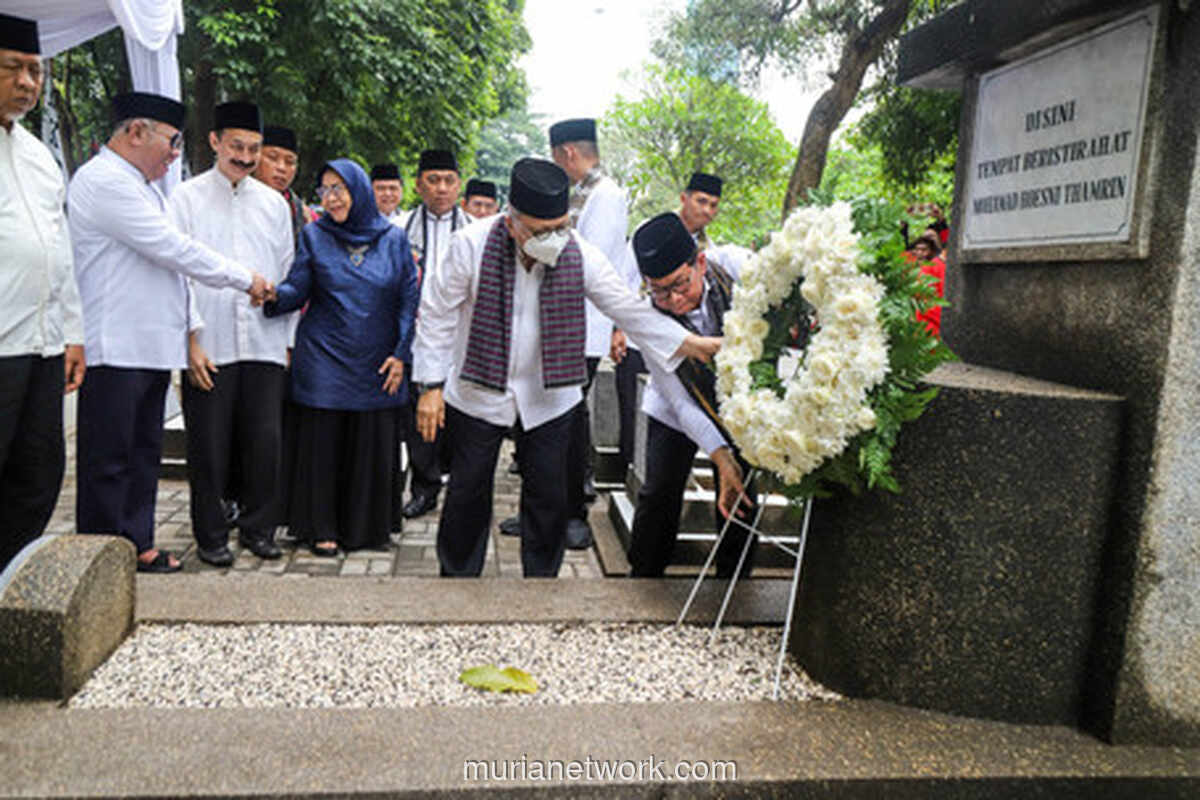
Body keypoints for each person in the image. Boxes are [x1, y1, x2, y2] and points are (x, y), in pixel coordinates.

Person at [411, 157, 719, 578]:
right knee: (467, 491)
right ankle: (458, 579)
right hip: (479, 387)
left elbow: (626, 308)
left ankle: (543, 584)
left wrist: (687, 343)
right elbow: (437, 314)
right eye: (541, 231)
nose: (554, 239)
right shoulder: (471, 244)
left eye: (560, 226)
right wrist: (430, 385)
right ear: (511, 221)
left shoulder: (579, 253)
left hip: (551, 395)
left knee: (549, 499)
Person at [68, 91, 271, 573]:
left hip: (149, 348)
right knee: (109, 461)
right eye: (172, 141)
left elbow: (172, 269)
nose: (176, 152)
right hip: (115, 347)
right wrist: (245, 278)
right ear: (137, 133)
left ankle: (137, 543)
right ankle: (101, 560)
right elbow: (174, 249)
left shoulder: (142, 186)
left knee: (142, 456)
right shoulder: (103, 182)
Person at [263, 158, 418, 556]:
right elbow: (298, 288)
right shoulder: (315, 235)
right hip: (324, 357)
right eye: (325, 190)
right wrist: (269, 296)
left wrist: (401, 353)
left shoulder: (394, 238)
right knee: (324, 444)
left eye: (339, 189)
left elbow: (407, 299)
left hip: (378, 359)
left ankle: (365, 526)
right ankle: (322, 526)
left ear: (359, 190)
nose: (331, 198)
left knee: (370, 440)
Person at [167, 101, 295, 567]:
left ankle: (259, 529)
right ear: (215, 142)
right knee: (209, 446)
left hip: (263, 343)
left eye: (254, 148)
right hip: (210, 343)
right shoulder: (185, 198)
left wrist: (286, 343)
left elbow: (286, 273)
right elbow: (177, 274)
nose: (244, 156)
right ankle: (212, 534)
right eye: (236, 146)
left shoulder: (274, 205)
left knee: (265, 443)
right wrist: (191, 340)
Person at [625, 212, 757, 578]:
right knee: (660, 492)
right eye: (660, 291)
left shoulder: (732, 267)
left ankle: (736, 580)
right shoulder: (647, 317)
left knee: (741, 492)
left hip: (740, 402)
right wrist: (720, 456)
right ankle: (644, 578)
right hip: (675, 408)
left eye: (680, 285)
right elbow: (681, 403)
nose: (673, 299)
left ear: (699, 262)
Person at [0, 14, 85, 570]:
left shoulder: (37, 155)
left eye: (36, 70)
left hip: (41, 347)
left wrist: (73, 333)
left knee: (37, 473)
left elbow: (61, 250)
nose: (29, 82)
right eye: (14, 68)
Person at [547, 117, 629, 549]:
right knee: (550, 417)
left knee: (572, 419)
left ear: (569, 154)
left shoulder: (606, 195)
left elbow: (586, 260)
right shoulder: (581, 193)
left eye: (555, 158)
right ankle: (545, 510)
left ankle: (575, 509)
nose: (555, 166)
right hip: (559, 324)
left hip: (581, 326)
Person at [611, 171, 726, 477]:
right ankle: (628, 471)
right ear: (684, 198)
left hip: (703, 370)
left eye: (714, 205)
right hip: (645, 343)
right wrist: (618, 330)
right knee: (654, 465)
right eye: (701, 201)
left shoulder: (713, 252)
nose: (707, 211)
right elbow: (622, 286)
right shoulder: (650, 237)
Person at [397, 149, 472, 520]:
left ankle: (459, 488)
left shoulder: (476, 231)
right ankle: (425, 488)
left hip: (462, 337)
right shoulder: (398, 229)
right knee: (420, 416)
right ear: (418, 184)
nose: (442, 189)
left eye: (449, 181)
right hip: (416, 334)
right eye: (433, 180)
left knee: (460, 415)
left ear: (459, 185)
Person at [254, 125, 317, 244]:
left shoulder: (305, 217)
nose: (282, 168)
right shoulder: (232, 199)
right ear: (255, 158)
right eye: (272, 157)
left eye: (290, 162)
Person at [907, 230, 946, 337]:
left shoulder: (934, 266)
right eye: (917, 250)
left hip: (931, 323)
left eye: (924, 250)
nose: (920, 253)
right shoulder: (909, 266)